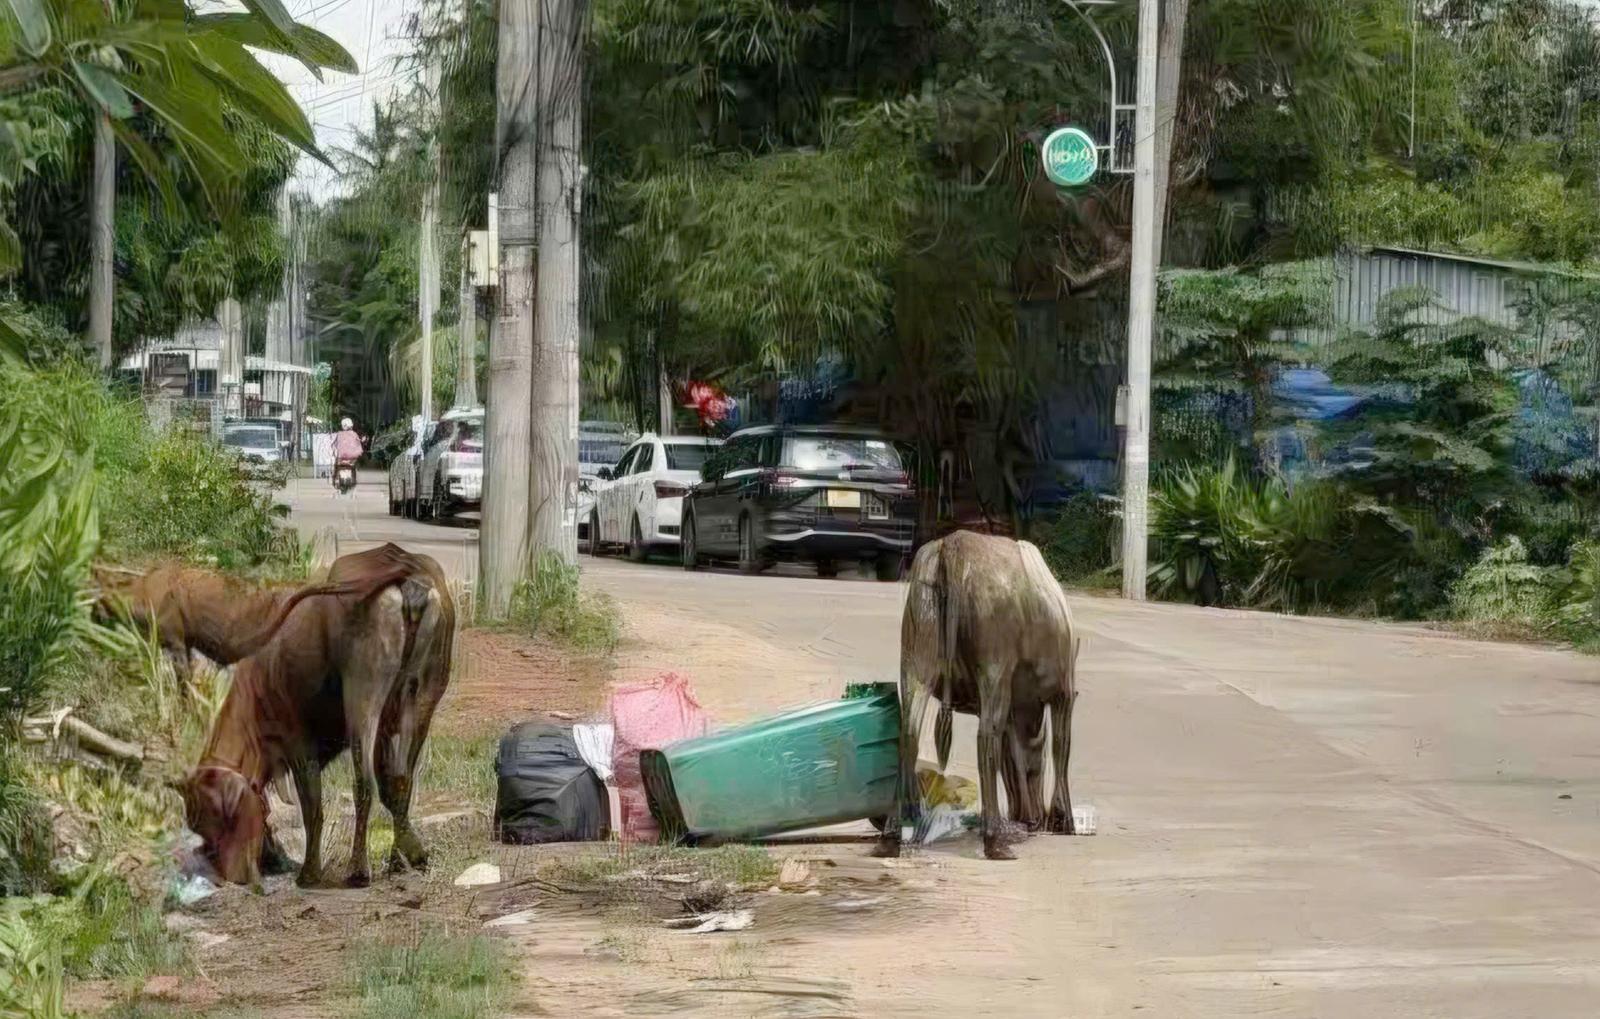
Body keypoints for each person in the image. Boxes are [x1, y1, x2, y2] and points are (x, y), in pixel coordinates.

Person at [331, 417, 364, 486]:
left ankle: (334, 479)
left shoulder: (339, 434)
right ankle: (354, 480)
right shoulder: (354, 434)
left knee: (335, 466)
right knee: (354, 467)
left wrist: (334, 452)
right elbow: (359, 446)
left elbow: (334, 445)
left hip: (340, 458)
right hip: (352, 459)